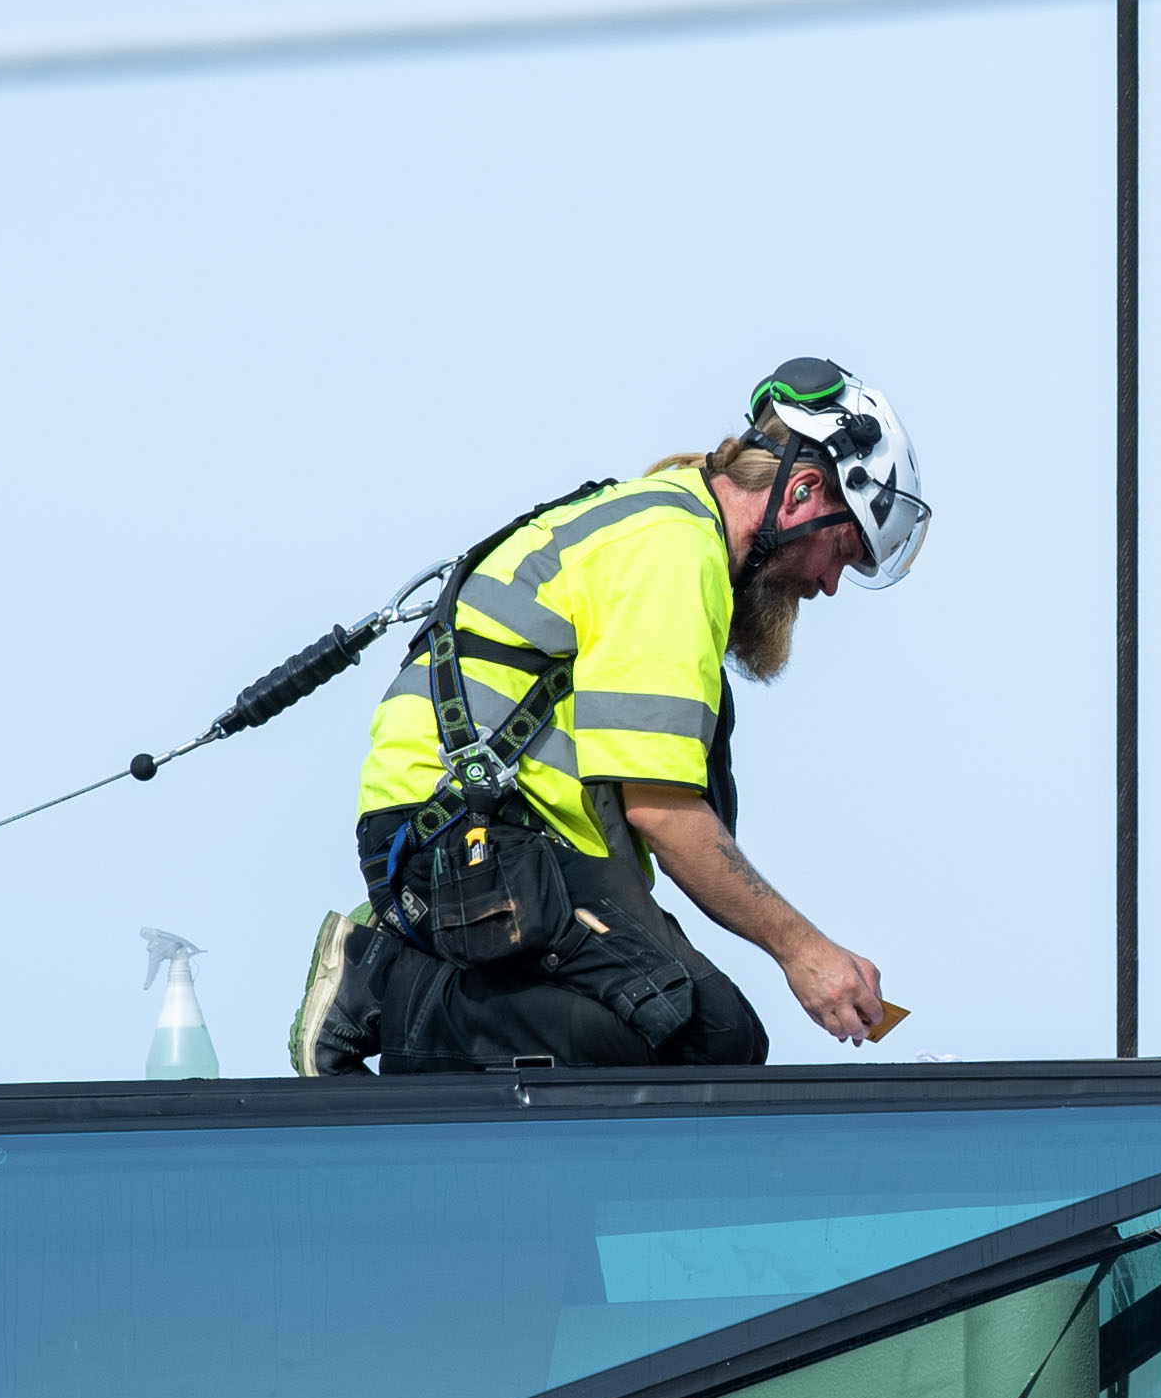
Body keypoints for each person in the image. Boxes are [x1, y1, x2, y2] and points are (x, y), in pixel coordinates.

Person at [294, 358, 928, 1074]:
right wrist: (804, 951)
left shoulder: (668, 526)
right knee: (705, 1037)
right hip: (462, 837)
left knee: (675, 1035)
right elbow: (660, 809)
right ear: (803, 493)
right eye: (841, 548)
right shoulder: (674, 549)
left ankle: (433, 1028)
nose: (831, 584)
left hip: (498, 843)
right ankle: (377, 985)